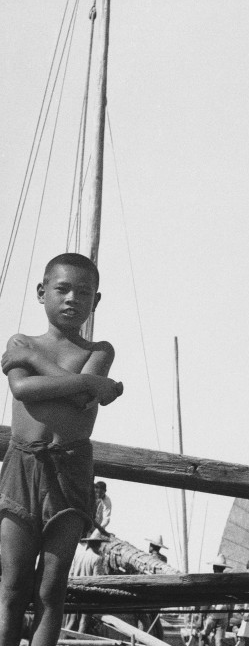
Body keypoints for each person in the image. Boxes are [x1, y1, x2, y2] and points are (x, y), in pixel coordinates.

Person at [0, 252, 124, 646]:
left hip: (70, 470)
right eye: (62, 289)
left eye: (83, 292)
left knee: (51, 589)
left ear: (96, 301)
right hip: (22, 466)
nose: (72, 298)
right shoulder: (20, 341)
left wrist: (37, 362)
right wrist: (89, 386)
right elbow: (23, 389)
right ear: (42, 292)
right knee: (14, 585)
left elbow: (83, 402)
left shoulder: (99, 351)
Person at [63, 529, 109, 634]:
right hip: (86, 594)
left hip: (75, 592)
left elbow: (71, 573)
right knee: (83, 621)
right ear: (98, 544)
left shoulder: (78, 555)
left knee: (72, 620)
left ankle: (62, 642)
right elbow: (97, 580)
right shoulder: (97, 558)